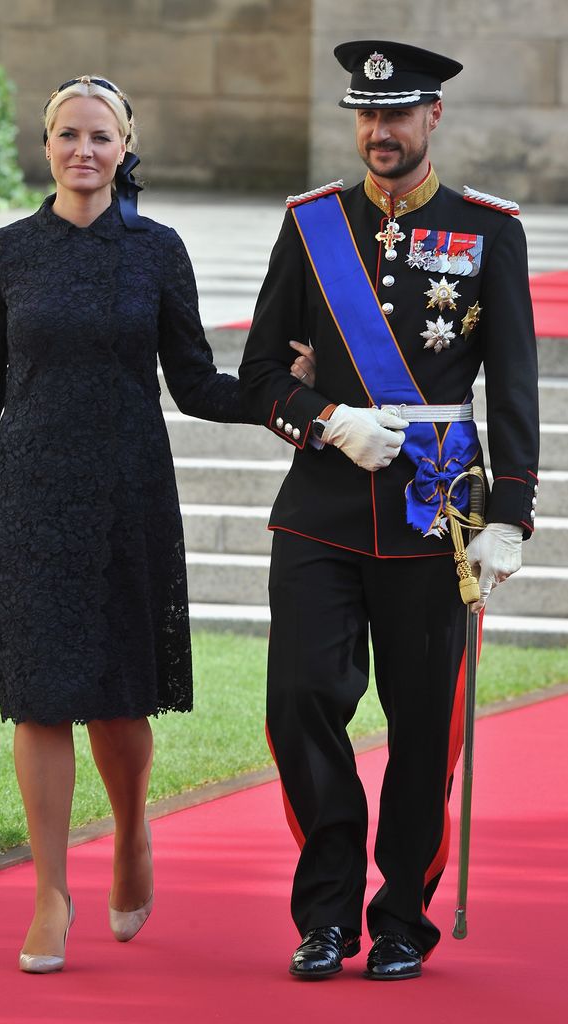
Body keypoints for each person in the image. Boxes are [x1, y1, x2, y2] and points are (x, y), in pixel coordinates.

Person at [0, 74, 315, 973]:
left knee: (116, 697)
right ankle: (50, 894)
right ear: (45, 144)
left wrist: (286, 397)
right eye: (68, 134)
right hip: (29, 494)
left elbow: (196, 382)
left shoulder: (157, 251)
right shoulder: (6, 251)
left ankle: (133, 829)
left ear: (126, 145)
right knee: (38, 697)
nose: (83, 150)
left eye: (100, 136)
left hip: (127, 494)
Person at [239, 40, 539, 981]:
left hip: (432, 513)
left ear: (432, 116)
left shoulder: (487, 230)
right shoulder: (313, 224)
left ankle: (402, 914)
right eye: (366, 115)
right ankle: (326, 912)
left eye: (397, 113)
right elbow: (259, 374)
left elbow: (514, 385)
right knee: (299, 702)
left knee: (421, 726)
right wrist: (326, 420)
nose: (379, 130)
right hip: (320, 507)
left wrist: (510, 513)